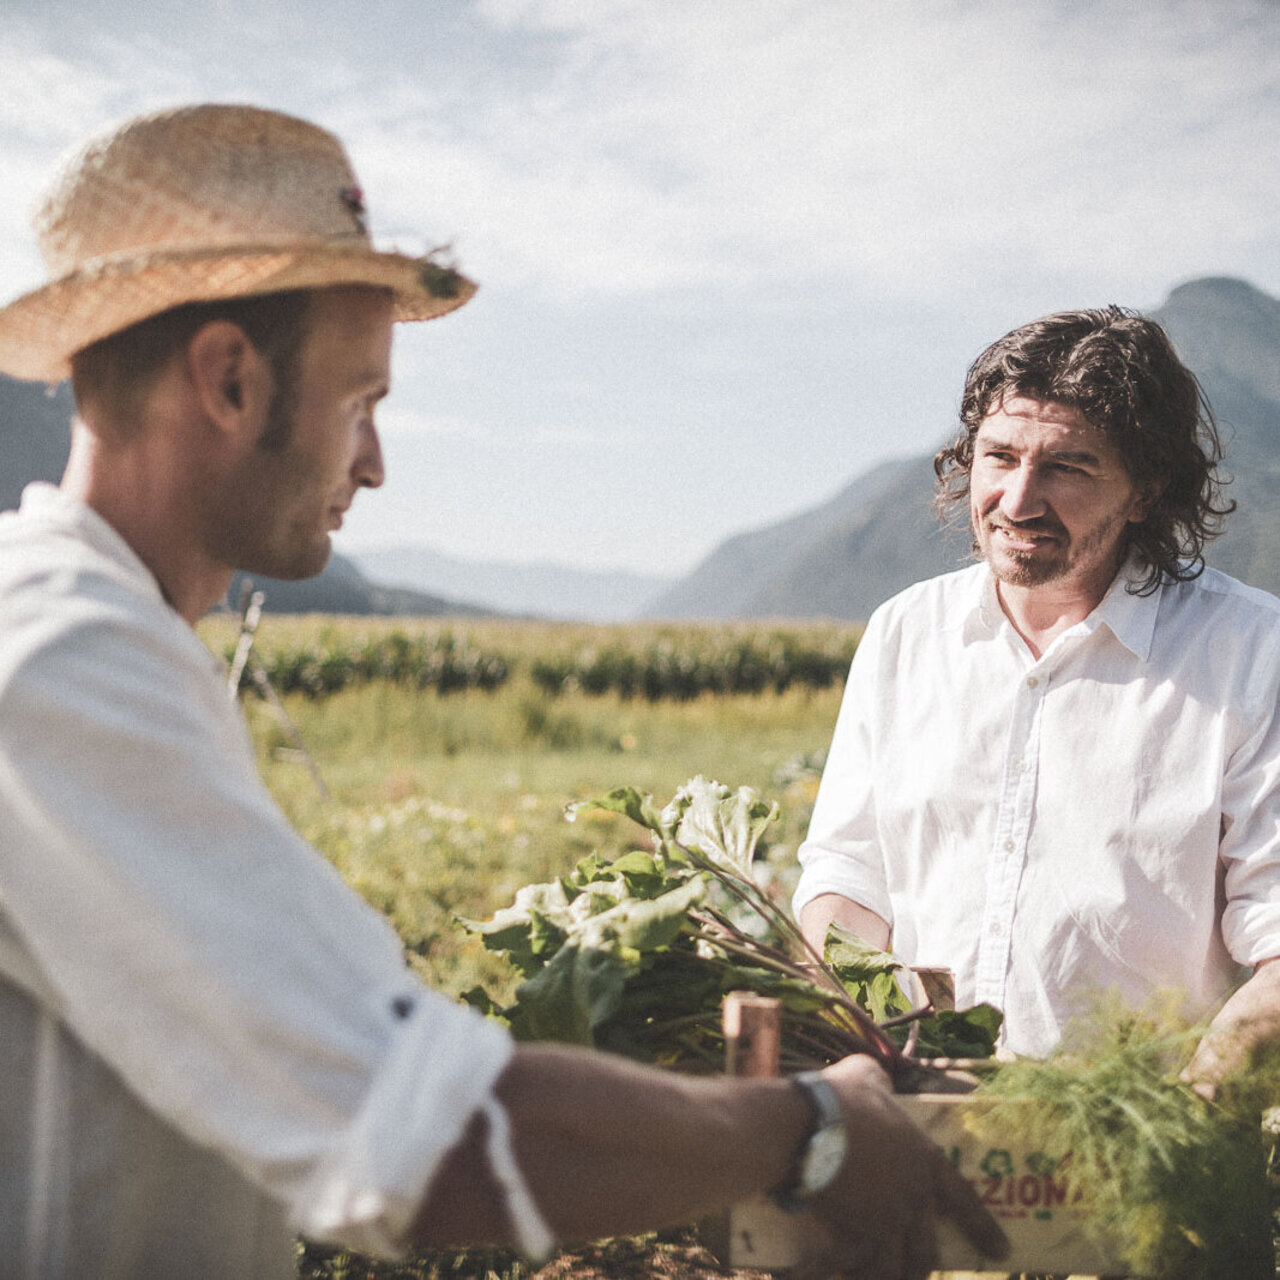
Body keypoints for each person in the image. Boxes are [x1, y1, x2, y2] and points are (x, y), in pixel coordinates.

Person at [0, 104, 1006, 1280]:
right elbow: (422, 1134)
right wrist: (814, 1127)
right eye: (360, 401)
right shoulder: (65, 661)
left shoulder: (93, 639)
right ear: (227, 378)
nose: (373, 462)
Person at [793, 306, 1280, 1087]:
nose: (1018, 500)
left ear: (1148, 489)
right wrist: (871, 1048)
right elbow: (849, 877)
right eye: (999, 457)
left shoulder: (1253, 653)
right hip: (921, 1124)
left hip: (1143, 1133)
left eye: (1067, 467)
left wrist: (1178, 1130)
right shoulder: (905, 633)